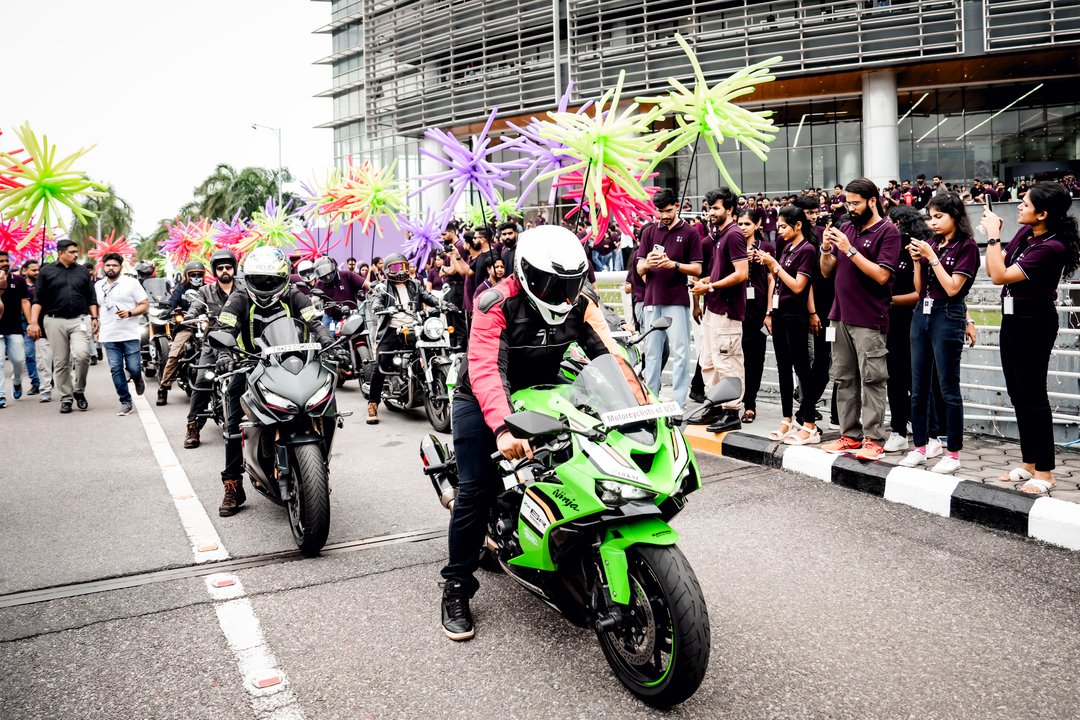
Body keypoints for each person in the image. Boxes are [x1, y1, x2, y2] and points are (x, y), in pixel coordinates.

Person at [439, 225, 632, 641]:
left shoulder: (580, 304)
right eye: (551, 284)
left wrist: (639, 404)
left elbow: (611, 355)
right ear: (524, 272)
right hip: (481, 397)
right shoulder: (495, 303)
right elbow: (487, 370)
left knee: (586, 451)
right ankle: (456, 586)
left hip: (545, 390)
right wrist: (503, 428)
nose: (562, 295)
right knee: (476, 488)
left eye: (570, 284)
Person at [214, 247, 335, 516]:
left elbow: (315, 323)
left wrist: (329, 343)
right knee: (234, 423)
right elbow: (225, 328)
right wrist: (224, 354)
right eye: (259, 279)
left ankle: (319, 467)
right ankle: (232, 484)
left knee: (326, 403)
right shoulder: (238, 299)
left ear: (284, 278)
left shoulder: (295, 295)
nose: (266, 284)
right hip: (250, 366)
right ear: (248, 278)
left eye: (272, 280)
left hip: (296, 363)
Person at [982, 183, 1080, 494]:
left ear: (1043, 214)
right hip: (1012, 319)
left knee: (1034, 396)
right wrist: (996, 242)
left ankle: (1045, 473)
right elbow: (994, 269)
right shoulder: (1027, 233)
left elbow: (1000, 275)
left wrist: (993, 236)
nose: (1019, 207)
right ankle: (1029, 463)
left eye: (1025, 204)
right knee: (1018, 394)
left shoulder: (1052, 247)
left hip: (1035, 322)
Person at [819, 179, 902, 460]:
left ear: (872, 201)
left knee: (872, 379)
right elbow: (827, 271)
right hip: (840, 315)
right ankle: (849, 436)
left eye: (856, 203)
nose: (850, 208)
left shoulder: (888, 232)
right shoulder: (846, 228)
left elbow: (881, 275)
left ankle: (874, 439)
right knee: (844, 379)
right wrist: (826, 250)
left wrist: (850, 250)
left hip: (868, 317)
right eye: (848, 203)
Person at [901, 194, 980, 474]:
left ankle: (953, 453)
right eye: (930, 217)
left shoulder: (967, 246)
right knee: (918, 386)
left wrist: (931, 258)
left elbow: (952, 288)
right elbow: (919, 287)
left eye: (939, 217)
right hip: (922, 312)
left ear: (954, 216)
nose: (932, 223)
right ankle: (921, 447)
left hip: (948, 313)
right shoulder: (933, 243)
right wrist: (917, 261)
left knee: (948, 387)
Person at [758, 205, 820, 444]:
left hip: (796, 315)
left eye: (783, 226)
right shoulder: (787, 248)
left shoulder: (808, 250)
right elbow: (778, 281)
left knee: (802, 368)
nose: (780, 231)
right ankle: (787, 419)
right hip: (780, 313)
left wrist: (775, 265)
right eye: (779, 226)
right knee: (783, 367)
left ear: (798, 225)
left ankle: (809, 424)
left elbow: (798, 286)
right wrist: (771, 266)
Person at [637, 187, 703, 409]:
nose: (664, 215)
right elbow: (639, 267)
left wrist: (673, 264)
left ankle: (678, 402)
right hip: (651, 300)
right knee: (652, 352)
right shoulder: (648, 232)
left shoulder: (690, 233)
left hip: (677, 300)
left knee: (681, 351)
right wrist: (648, 263)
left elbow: (697, 269)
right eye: (659, 211)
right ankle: (651, 399)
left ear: (677, 206)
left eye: (667, 210)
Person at [365, 253, 445, 425]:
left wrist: (442, 304)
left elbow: (427, 296)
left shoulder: (415, 284)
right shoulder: (383, 287)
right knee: (381, 364)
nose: (401, 270)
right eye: (396, 267)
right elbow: (376, 301)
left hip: (414, 327)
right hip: (392, 330)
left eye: (403, 266)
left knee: (433, 349)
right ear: (388, 270)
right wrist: (380, 307)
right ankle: (373, 404)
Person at [690, 187, 747, 429]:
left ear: (730, 209)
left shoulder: (734, 235)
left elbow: (741, 273)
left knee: (727, 363)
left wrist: (710, 286)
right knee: (709, 362)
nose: (710, 212)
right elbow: (720, 272)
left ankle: (732, 413)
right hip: (713, 309)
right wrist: (705, 282)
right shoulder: (719, 235)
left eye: (715, 208)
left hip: (727, 311)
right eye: (709, 208)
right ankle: (714, 406)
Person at [27, 239, 99, 414]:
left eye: (76, 252)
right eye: (72, 252)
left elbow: (91, 297)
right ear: (60, 253)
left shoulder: (83, 271)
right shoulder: (46, 272)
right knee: (61, 362)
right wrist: (34, 322)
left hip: (80, 319)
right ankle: (66, 398)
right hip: (54, 321)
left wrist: (95, 317)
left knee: (82, 355)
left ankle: (79, 390)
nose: (76, 255)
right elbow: (37, 300)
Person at [182, 249, 244, 448]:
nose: (224, 271)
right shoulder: (205, 291)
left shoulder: (244, 288)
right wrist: (191, 316)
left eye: (228, 267)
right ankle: (193, 426)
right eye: (220, 268)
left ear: (234, 269)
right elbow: (195, 307)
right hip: (213, 342)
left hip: (241, 342)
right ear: (215, 271)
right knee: (202, 380)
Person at [884, 205, 928, 455]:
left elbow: (919, 292)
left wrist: (890, 301)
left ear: (900, 223)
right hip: (892, 322)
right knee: (895, 378)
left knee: (915, 377)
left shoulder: (917, 249)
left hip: (913, 320)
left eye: (891, 220)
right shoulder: (891, 248)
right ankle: (898, 429)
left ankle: (919, 426)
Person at [94, 253, 149, 415]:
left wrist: (130, 313)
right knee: (116, 369)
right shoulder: (98, 285)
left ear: (120, 267)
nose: (111, 268)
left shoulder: (131, 283)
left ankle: (137, 376)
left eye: (114, 265)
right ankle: (125, 401)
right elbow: (97, 306)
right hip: (108, 334)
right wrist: (95, 322)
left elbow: (144, 304)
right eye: (108, 265)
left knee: (133, 367)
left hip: (129, 334)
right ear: (103, 267)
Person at [736, 208, 774, 425]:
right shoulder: (734, 245)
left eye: (747, 224)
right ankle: (733, 402)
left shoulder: (766, 248)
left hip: (758, 311)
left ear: (757, 224)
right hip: (736, 310)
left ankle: (750, 404)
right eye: (740, 223)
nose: (743, 228)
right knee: (734, 359)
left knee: (755, 359)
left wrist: (769, 312)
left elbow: (772, 280)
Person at [157, 261, 206, 405]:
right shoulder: (181, 288)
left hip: (206, 327)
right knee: (174, 354)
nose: (196, 277)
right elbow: (172, 301)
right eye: (193, 275)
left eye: (199, 275)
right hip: (186, 327)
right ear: (187, 276)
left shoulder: (208, 288)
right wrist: (169, 309)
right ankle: (163, 388)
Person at [0, 250, 31, 407]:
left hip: (14, 327)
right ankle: (1, 395)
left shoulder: (18, 280)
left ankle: (17, 382)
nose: (5, 263)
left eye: (6, 260)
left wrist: (31, 323)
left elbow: (25, 302)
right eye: (1, 261)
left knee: (19, 360)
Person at [313, 256, 367, 329]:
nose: (328, 277)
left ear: (333, 267)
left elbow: (366, 284)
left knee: (360, 332)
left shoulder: (347, 275)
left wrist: (378, 287)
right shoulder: (319, 284)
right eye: (324, 274)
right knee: (326, 335)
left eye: (329, 273)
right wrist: (316, 302)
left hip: (351, 315)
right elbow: (315, 297)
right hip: (331, 318)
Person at [20, 259, 42, 395]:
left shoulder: (43, 284)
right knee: (29, 355)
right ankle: (35, 382)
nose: (37, 272)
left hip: (44, 324)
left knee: (46, 355)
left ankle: (47, 378)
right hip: (25, 325)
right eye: (33, 270)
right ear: (25, 271)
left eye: (38, 269)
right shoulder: (20, 285)